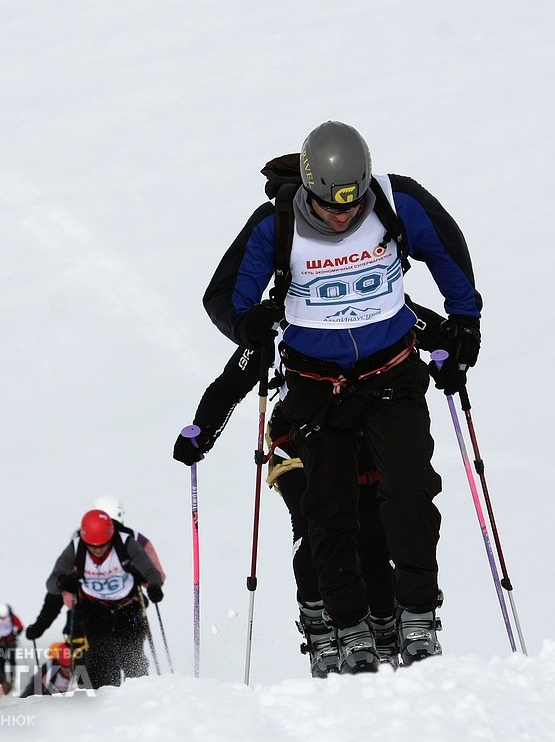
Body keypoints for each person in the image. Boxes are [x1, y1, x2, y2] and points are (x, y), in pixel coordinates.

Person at [201, 121, 481, 672]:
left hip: (392, 374)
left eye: (353, 204)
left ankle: (418, 619)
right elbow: (224, 296)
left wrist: (465, 321)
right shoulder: (277, 225)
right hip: (316, 388)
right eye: (331, 206)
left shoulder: (396, 202)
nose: (343, 215)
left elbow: (448, 252)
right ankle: (349, 628)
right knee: (329, 512)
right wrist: (247, 325)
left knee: (411, 491)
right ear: (310, 187)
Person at [174, 299, 448, 676]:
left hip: (363, 432)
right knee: (314, 517)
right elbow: (230, 385)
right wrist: (203, 431)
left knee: (373, 528)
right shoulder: (277, 322)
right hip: (296, 435)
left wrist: (450, 348)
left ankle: (384, 625)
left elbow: (428, 327)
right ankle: (320, 624)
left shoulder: (371, 298)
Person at [24, 509, 165, 689]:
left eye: (103, 545)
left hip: (127, 605)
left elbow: (152, 572)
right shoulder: (75, 549)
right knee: (101, 659)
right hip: (95, 609)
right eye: (92, 546)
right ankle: (105, 699)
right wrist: (62, 583)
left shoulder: (126, 544)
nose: (97, 550)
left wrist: (154, 586)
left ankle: (141, 694)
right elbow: (52, 584)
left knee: (131, 655)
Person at [0, 604, 23, 689]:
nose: (2, 619)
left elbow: (20, 626)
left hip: (11, 642)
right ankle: (3, 681)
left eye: (4, 617)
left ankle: (12, 679)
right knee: (1, 661)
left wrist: (17, 632)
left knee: (12, 660)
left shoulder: (12, 617)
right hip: (0, 642)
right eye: (1, 617)